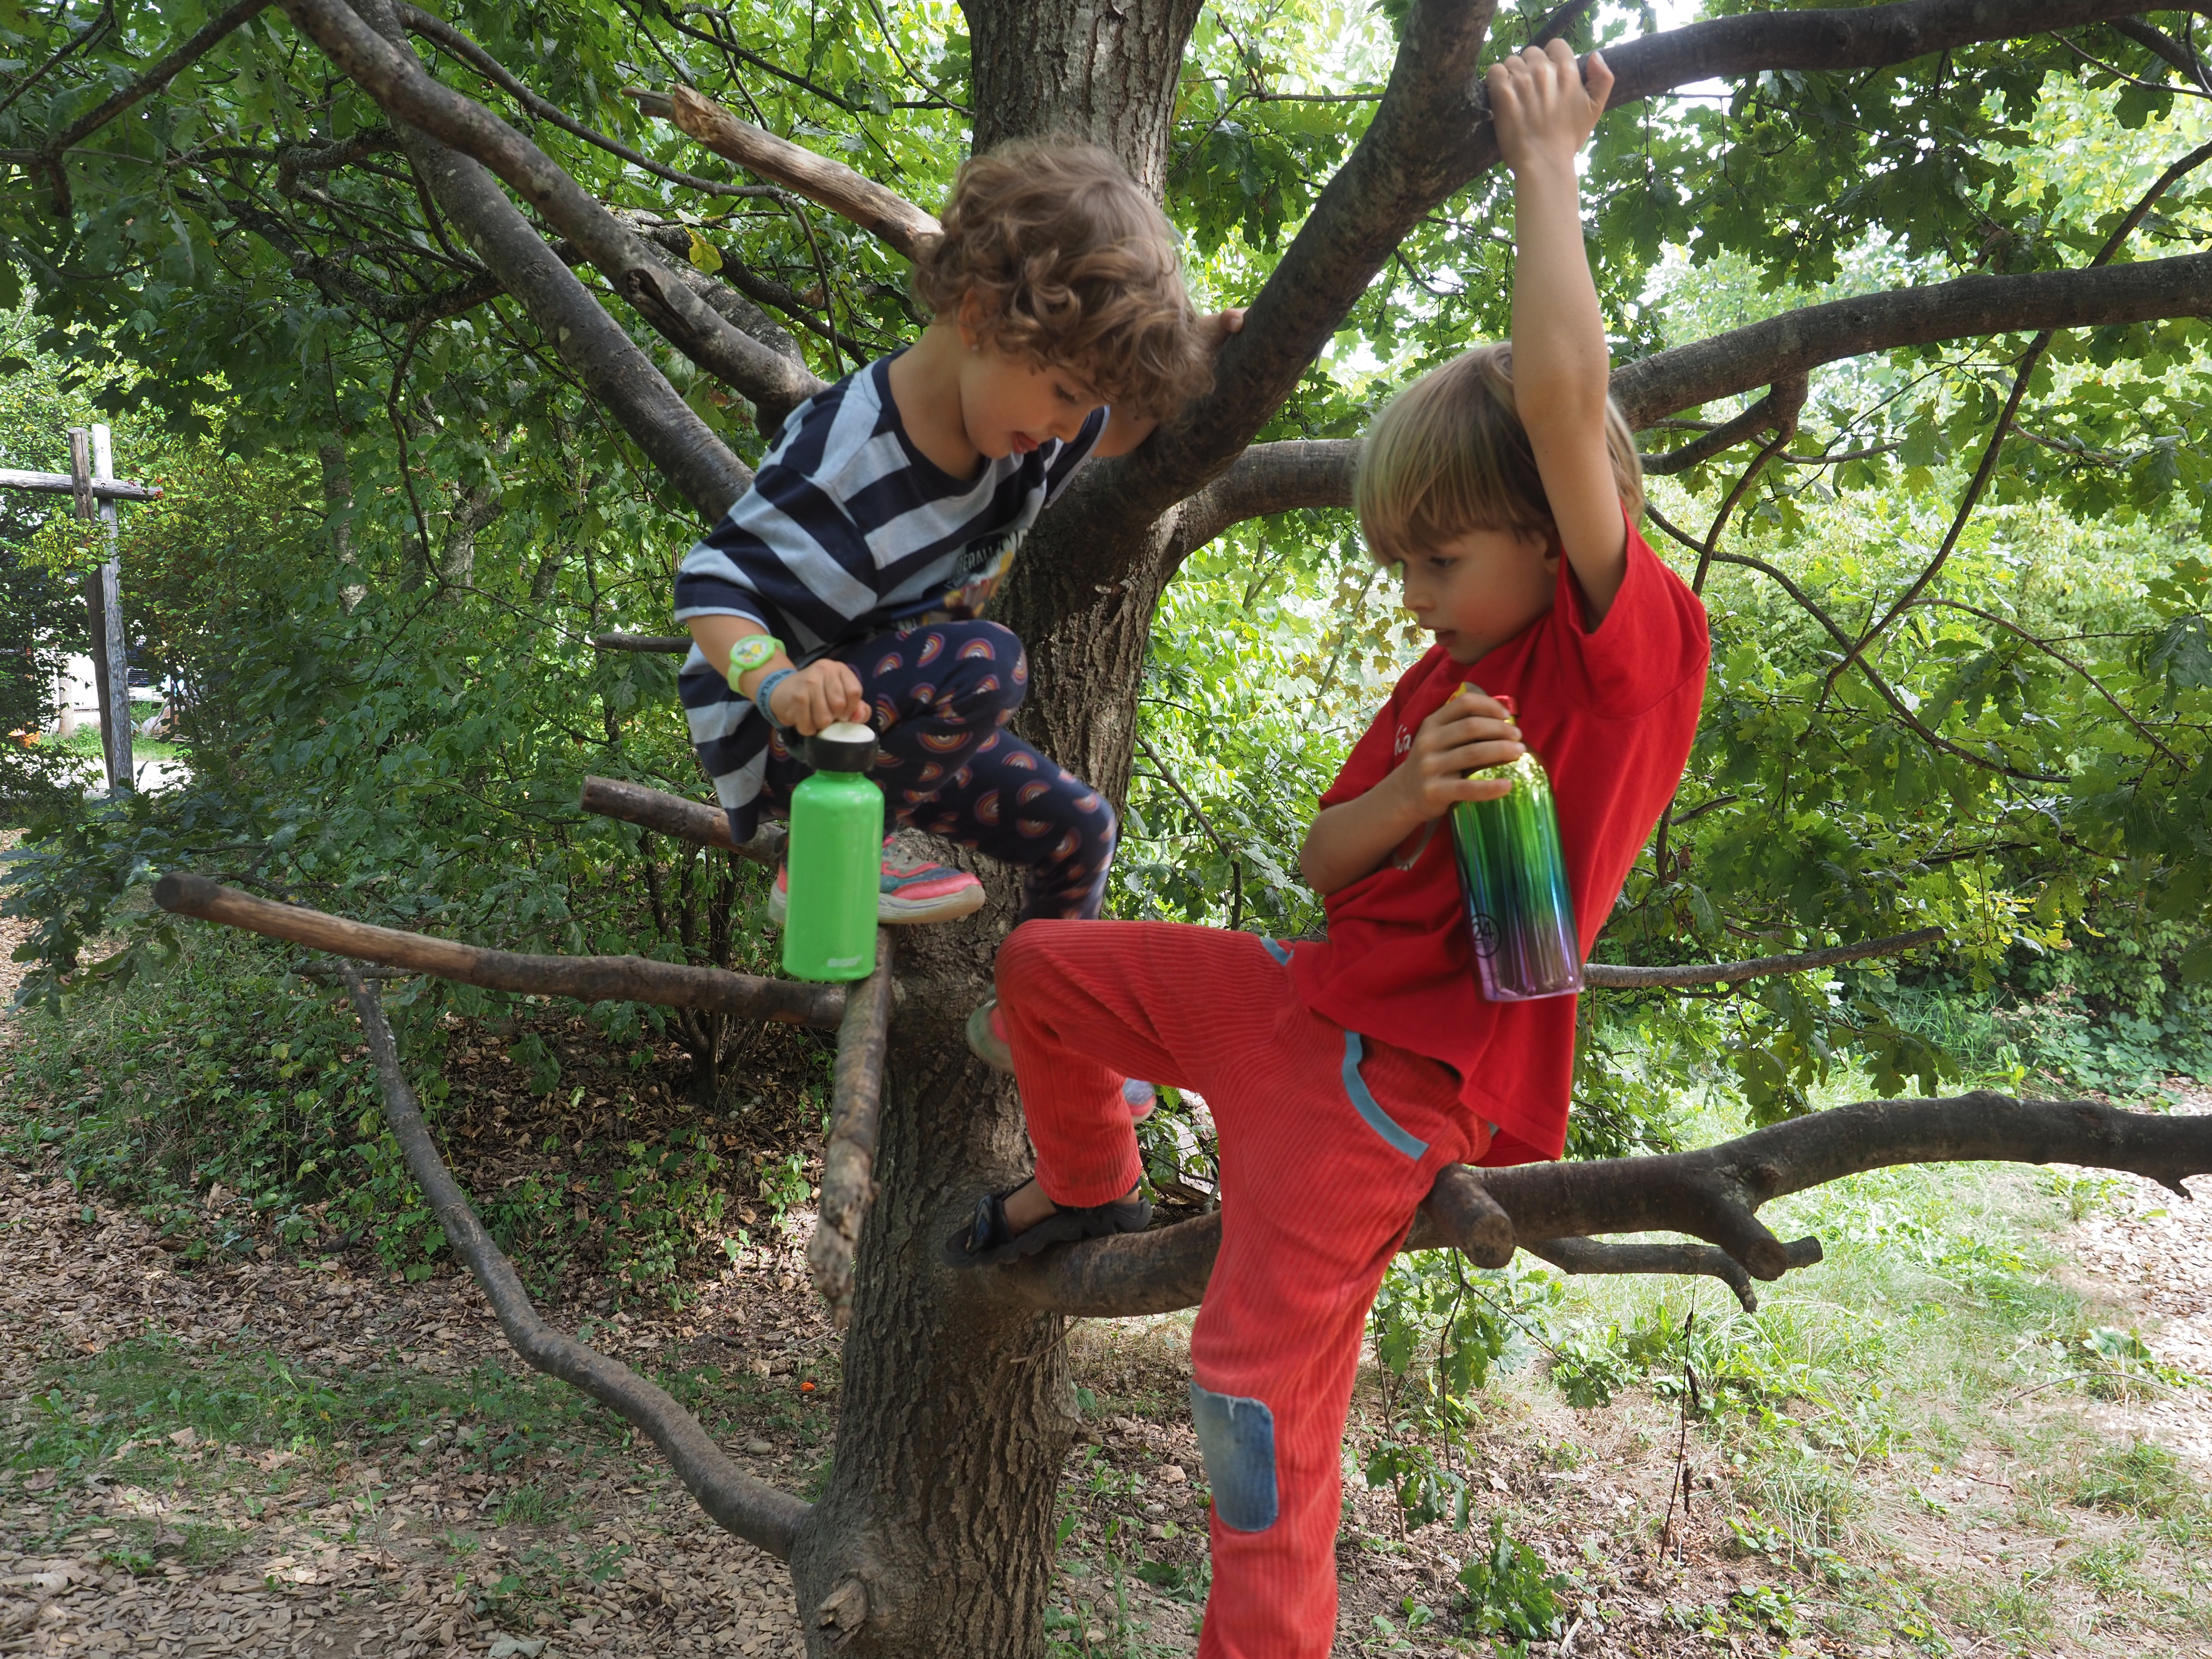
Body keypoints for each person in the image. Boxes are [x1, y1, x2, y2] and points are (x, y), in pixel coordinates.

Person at [944, 43, 1711, 1659]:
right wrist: (1415, 793)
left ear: (1548, 525)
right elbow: (1320, 857)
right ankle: (1089, 1179)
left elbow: (1563, 400)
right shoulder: (1441, 681)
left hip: (1392, 1083)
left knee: (1248, 1390)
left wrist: (1549, 165)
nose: (1413, 591)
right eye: (1394, 562)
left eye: (1437, 555)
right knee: (1041, 964)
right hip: (1296, 999)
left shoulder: (1615, 661)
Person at [675, 140, 1241, 1096]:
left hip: (896, 729)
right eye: (1067, 395)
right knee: (988, 660)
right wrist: (778, 683)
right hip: (791, 747)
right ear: (978, 313)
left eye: (1085, 403)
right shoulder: (848, 454)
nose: (1071, 427)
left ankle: (1040, 1020)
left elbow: (1123, 427)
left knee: (1081, 827)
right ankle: (816, 861)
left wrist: (1211, 361)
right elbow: (712, 585)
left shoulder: (1029, 424)